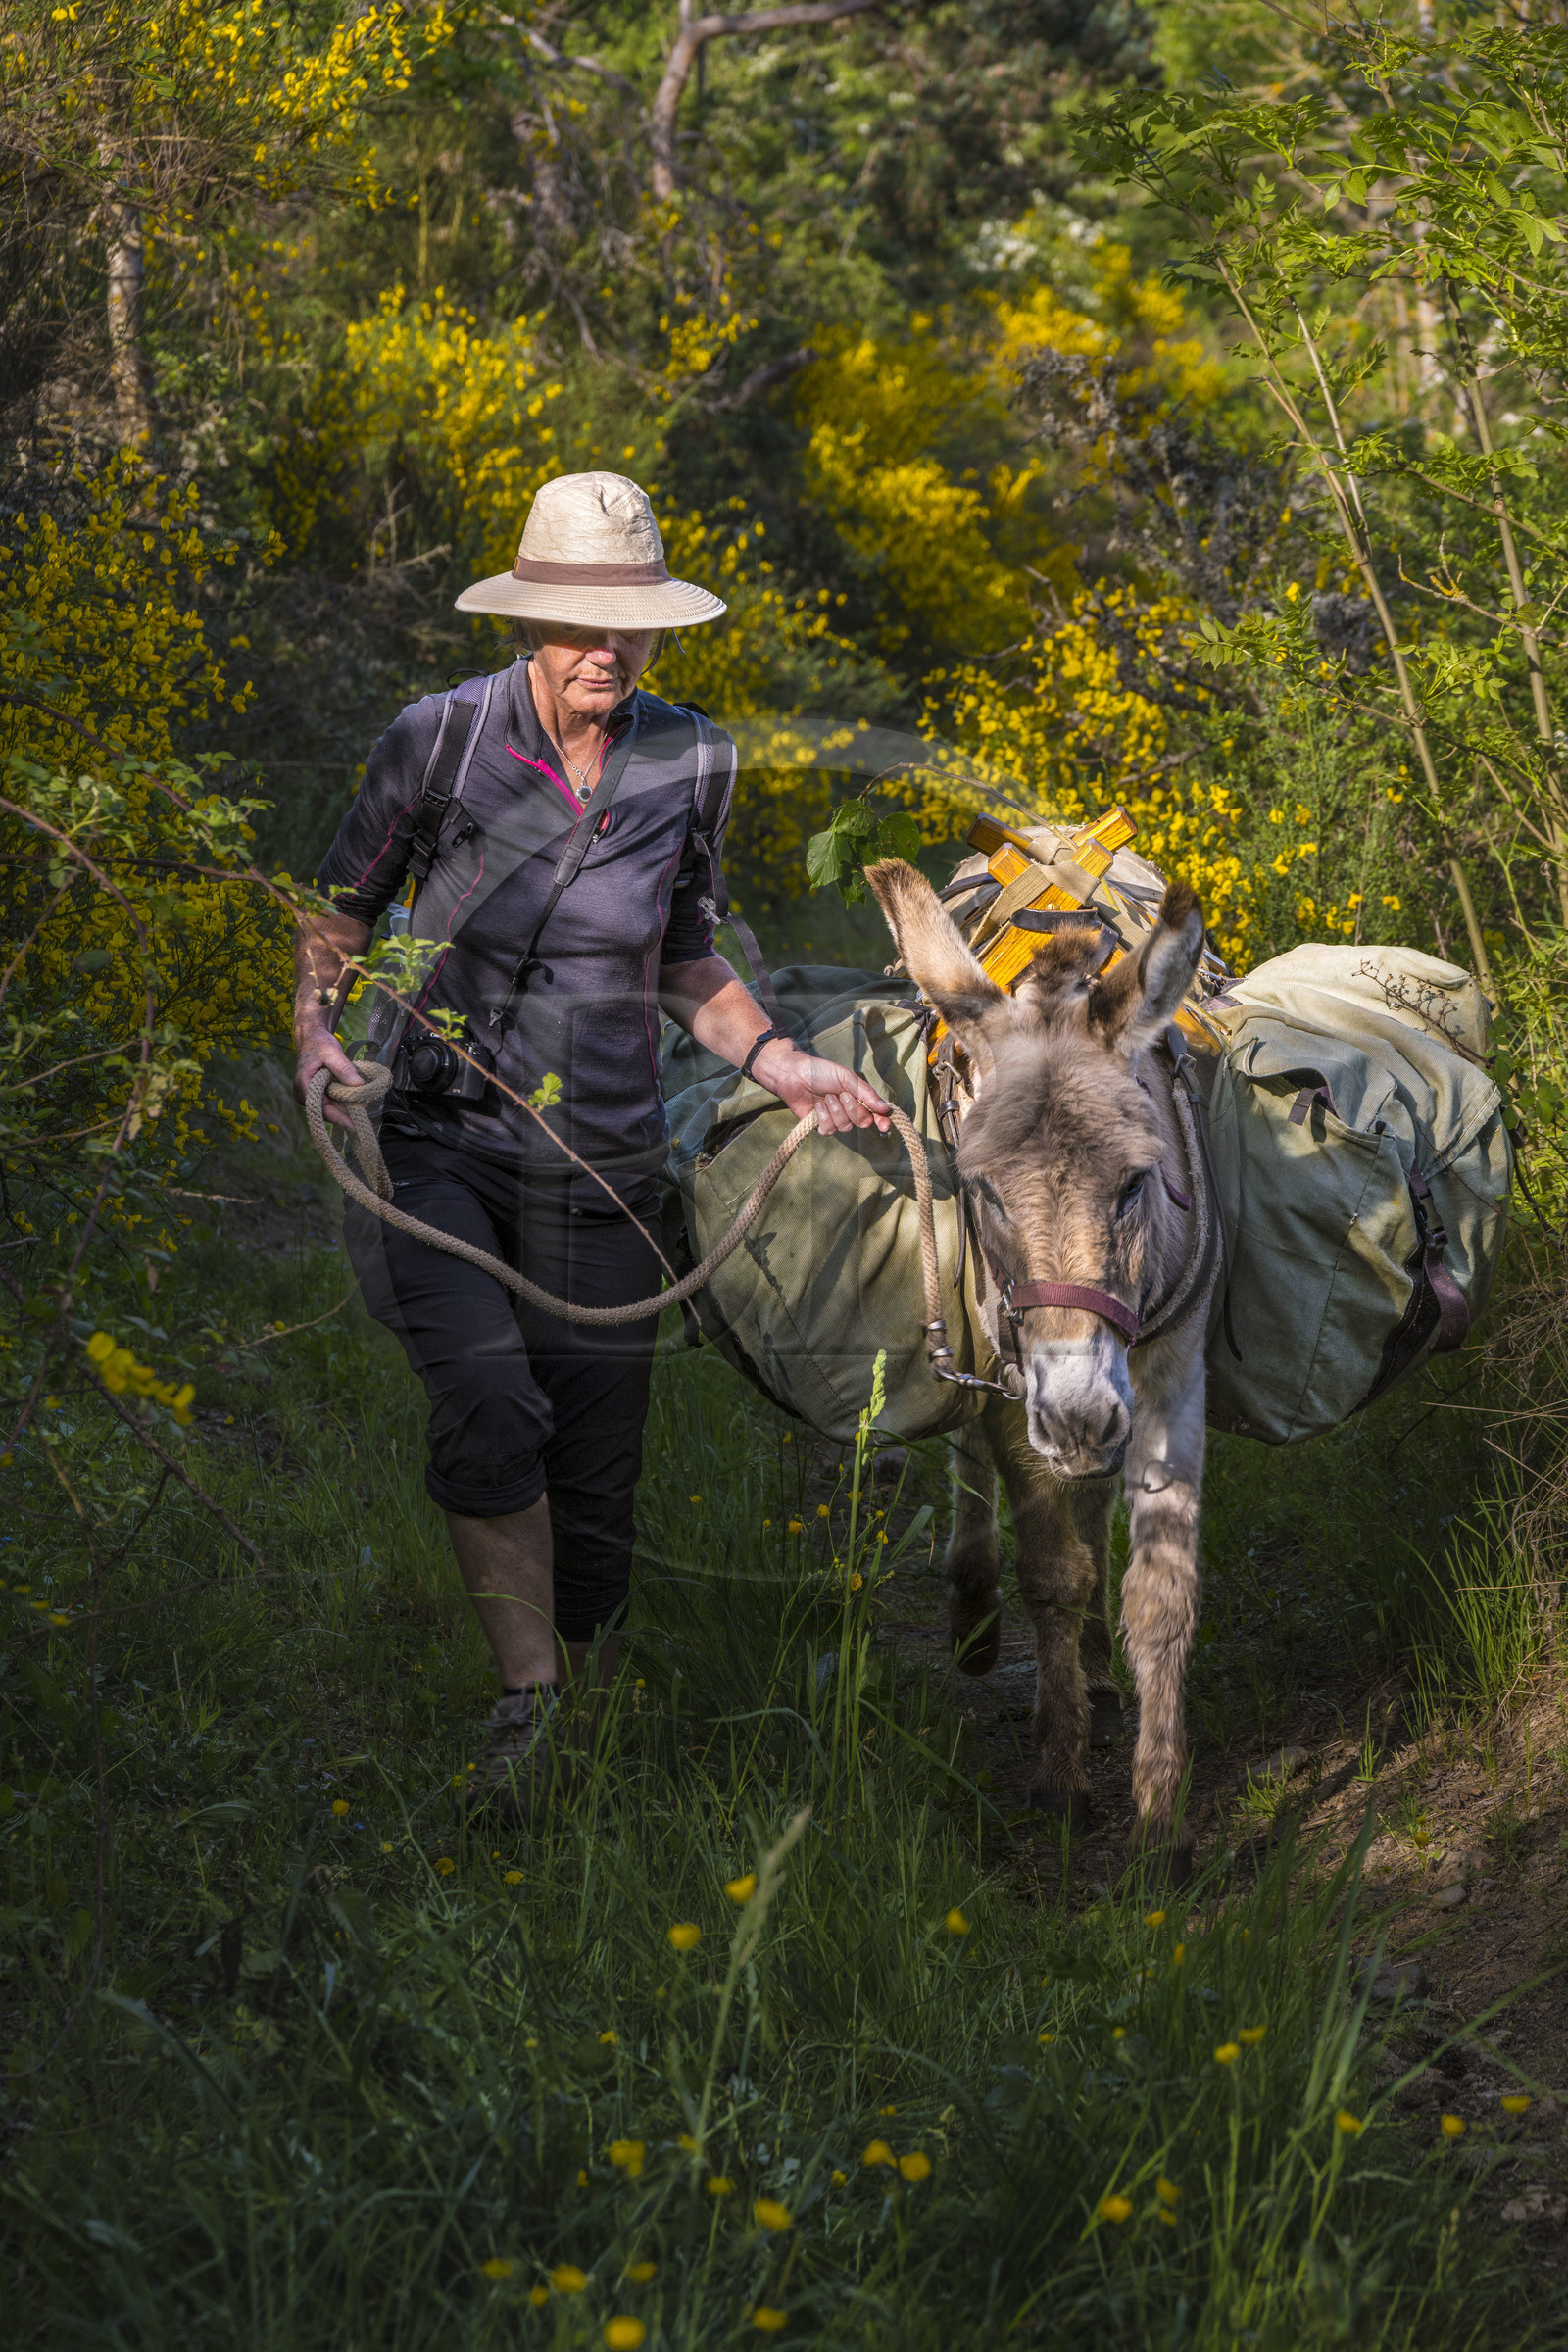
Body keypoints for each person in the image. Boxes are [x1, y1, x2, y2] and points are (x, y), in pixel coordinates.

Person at [293, 471, 889, 1815]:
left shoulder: (692, 758)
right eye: (576, 625)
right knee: (491, 1406)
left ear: (658, 634)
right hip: (440, 1137)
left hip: (608, 1161)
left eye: (626, 627)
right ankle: (529, 1706)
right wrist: (315, 1033)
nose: (602, 650)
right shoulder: (436, 742)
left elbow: (686, 956)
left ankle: (587, 1720)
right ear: (529, 625)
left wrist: (782, 1058)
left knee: (599, 1483)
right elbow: (336, 917)